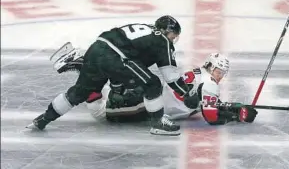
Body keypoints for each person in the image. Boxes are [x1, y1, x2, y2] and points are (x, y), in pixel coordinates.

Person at [26, 16, 200, 136]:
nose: (173, 39)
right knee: (153, 83)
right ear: (166, 32)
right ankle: (158, 124)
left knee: (79, 93)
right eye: (173, 35)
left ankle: (43, 119)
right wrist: (186, 95)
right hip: (115, 56)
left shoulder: (146, 31)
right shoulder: (162, 40)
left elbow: (130, 59)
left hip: (97, 48)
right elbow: (170, 76)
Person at [51, 47, 258, 126]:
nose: (220, 76)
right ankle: (83, 66)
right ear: (213, 68)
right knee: (101, 113)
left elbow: (202, 103)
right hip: (148, 105)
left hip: (148, 95)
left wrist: (233, 106)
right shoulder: (210, 83)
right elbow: (210, 116)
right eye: (220, 72)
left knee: (106, 94)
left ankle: (87, 64)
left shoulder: (197, 72)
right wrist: (236, 115)